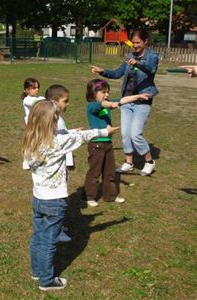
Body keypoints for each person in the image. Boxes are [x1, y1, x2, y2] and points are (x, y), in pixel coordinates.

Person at [22, 100, 118, 291]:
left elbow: (68, 137)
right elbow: (84, 137)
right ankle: (46, 280)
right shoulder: (57, 143)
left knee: (38, 237)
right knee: (49, 241)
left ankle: (36, 271)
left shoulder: (30, 140)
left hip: (38, 198)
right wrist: (105, 132)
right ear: (52, 122)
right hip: (54, 201)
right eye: (56, 118)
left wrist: (70, 132)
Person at [90, 29, 159, 176]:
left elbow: (151, 70)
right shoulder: (130, 56)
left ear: (145, 41)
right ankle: (129, 163)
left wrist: (137, 63)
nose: (135, 45)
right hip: (126, 100)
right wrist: (102, 71)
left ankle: (149, 161)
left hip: (143, 100)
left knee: (136, 134)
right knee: (125, 134)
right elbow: (117, 73)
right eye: (133, 43)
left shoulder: (152, 56)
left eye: (138, 43)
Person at [83, 79, 150, 207]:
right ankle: (88, 196)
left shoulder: (106, 103)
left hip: (108, 144)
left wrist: (138, 96)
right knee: (94, 172)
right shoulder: (91, 105)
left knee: (110, 172)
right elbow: (102, 105)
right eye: (103, 92)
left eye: (107, 92)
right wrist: (111, 104)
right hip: (96, 144)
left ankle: (110, 196)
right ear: (93, 93)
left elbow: (122, 100)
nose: (106, 95)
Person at [45, 84, 74, 242]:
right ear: (54, 102)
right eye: (65, 101)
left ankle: (57, 226)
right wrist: (69, 161)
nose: (68, 104)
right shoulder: (56, 120)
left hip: (54, 166)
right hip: (58, 167)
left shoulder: (52, 118)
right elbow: (63, 144)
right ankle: (56, 231)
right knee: (58, 198)